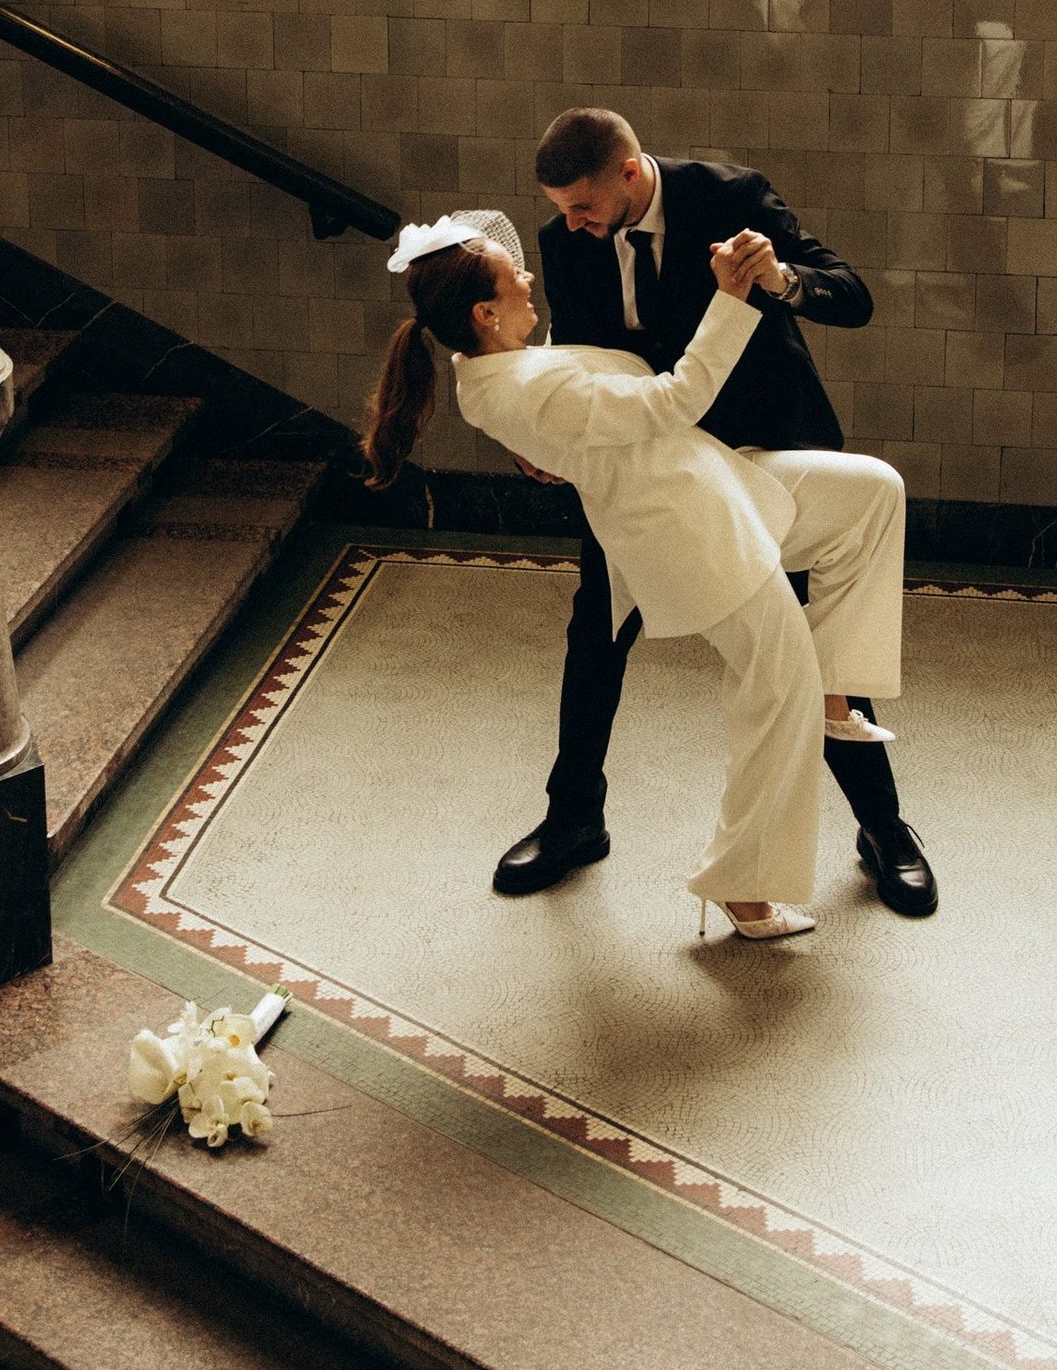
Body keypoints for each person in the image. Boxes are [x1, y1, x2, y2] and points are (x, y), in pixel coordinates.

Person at [360, 209, 908, 940]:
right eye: (511, 272)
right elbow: (674, 399)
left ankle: (836, 685)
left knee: (873, 492)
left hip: (722, 480)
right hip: (693, 533)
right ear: (485, 312)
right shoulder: (520, 388)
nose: (528, 274)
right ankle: (743, 890)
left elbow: (558, 384)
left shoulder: (500, 363)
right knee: (780, 696)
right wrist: (731, 295)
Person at [503, 108, 937, 920]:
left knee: (810, 636)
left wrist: (782, 280)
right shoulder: (567, 239)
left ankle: (883, 828)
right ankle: (574, 819)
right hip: (656, 469)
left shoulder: (731, 195)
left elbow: (853, 296)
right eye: (561, 209)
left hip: (771, 446)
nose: (571, 223)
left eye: (583, 206)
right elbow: (589, 360)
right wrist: (546, 438)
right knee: (598, 628)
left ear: (629, 171)